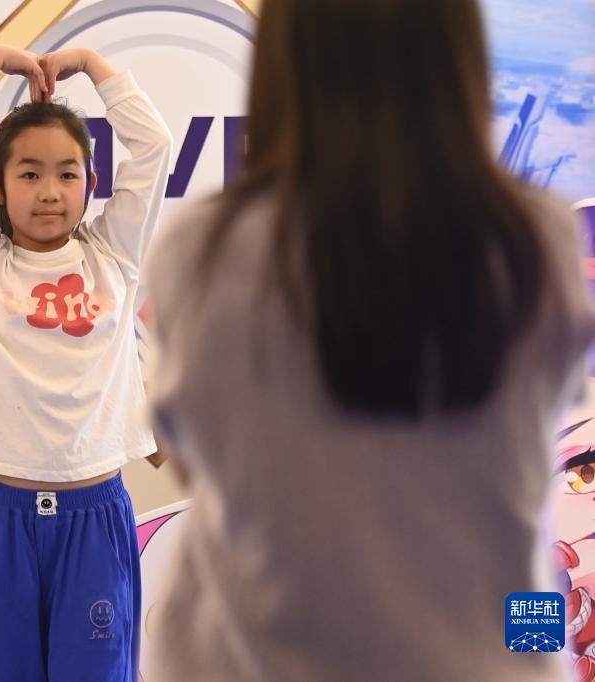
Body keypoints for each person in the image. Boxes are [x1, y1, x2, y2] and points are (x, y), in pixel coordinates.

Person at [143, 1, 595, 680]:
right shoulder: (537, 240)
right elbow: (531, 465)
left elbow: (195, 461)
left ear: (283, 60)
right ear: (458, 58)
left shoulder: (202, 248)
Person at [0, 44, 172, 681]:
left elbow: (155, 146)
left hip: (94, 518)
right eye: (29, 175)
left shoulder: (114, 256)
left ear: (90, 184)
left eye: (67, 174)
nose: (50, 192)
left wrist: (93, 65)